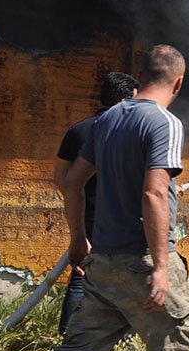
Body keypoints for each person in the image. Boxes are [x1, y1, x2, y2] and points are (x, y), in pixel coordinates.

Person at [47, 45, 189, 351]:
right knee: (183, 344)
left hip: (104, 262)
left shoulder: (105, 120)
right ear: (178, 83)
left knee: (79, 350)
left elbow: (72, 182)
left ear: (139, 75)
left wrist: (78, 240)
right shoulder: (166, 123)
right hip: (143, 259)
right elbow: (154, 193)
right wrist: (161, 267)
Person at [52, 71, 140, 336]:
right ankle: (124, 338)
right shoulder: (132, 132)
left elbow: (61, 180)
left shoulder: (77, 130)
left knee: (81, 279)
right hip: (124, 219)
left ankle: (70, 336)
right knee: (131, 280)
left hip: (86, 217)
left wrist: (79, 206)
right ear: (125, 100)